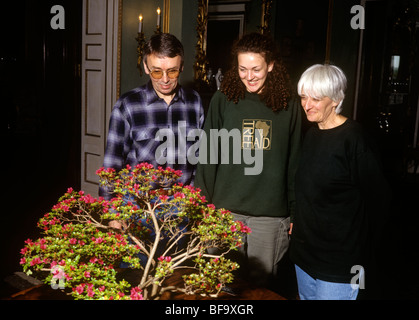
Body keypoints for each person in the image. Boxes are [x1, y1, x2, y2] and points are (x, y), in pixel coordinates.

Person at [194, 32, 302, 289]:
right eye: (243, 69)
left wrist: (295, 212)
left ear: (271, 66)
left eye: (256, 69)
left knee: (259, 288)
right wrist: (200, 206)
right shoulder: (224, 100)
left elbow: (294, 162)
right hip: (224, 212)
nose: (249, 76)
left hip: (270, 217)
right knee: (221, 286)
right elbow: (208, 157)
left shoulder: (289, 105)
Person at [289, 64, 391, 300]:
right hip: (304, 257)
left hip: (341, 264)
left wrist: (362, 252)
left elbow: (380, 201)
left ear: (335, 99)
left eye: (315, 98)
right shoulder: (312, 134)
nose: (306, 105)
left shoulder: (354, 139)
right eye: (303, 97)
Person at [100, 33, 205, 201]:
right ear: (146, 67)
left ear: (182, 67)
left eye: (172, 71)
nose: (165, 80)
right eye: (157, 72)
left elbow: (201, 161)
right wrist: (112, 214)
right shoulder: (127, 105)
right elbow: (112, 164)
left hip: (183, 208)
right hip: (139, 208)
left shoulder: (194, 102)